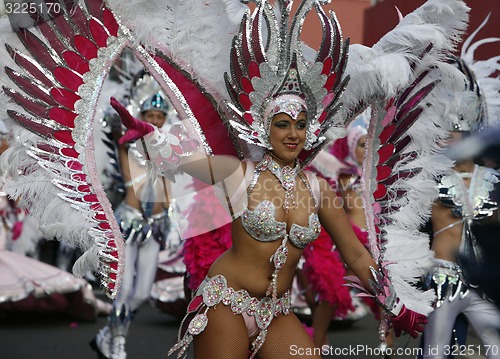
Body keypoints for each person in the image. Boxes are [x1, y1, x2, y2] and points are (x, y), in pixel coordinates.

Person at [419, 23, 500, 358]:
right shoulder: (426, 178)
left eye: (458, 135)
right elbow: (410, 230)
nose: (450, 140)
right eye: (446, 133)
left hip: (484, 283)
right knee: (436, 352)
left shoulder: (495, 180)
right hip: (442, 280)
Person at [90, 92, 172, 359]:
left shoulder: (170, 150)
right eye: (151, 116)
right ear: (143, 117)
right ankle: (118, 341)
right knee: (123, 290)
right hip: (129, 223)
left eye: (160, 117)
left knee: (141, 294)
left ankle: (107, 334)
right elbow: (114, 128)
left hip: (156, 225)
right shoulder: (129, 145)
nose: (156, 121)